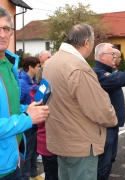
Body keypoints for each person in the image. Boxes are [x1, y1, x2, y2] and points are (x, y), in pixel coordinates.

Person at [42, 24, 118, 180]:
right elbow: (99, 109)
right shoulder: (78, 67)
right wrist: (113, 119)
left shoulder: (51, 62)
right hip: (80, 144)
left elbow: (44, 96)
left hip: (60, 139)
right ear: (86, 43)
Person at [0, 6, 49, 180]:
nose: (2, 34)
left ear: (12, 32)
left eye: (6, 28)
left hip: (13, 163)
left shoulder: (10, 66)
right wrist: (28, 118)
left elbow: (10, 108)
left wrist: (27, 109)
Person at [93, 43, 125, 180]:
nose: (115, 57)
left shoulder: (109, 71)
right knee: (103, 163)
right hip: (106, 126)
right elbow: (119, 80)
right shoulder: (98, 73)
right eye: (112, 54)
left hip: (113, 124)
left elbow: (123, 77)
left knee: (110, 159)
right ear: (102, 56)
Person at [18, 57, 44, 180]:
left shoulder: (34, 81)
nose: (39, 68)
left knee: (34, 150)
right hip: (27, 122)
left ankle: (33, 173)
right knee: (27, 152)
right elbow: (18, 103)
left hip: (34, 122)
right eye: (38, 66)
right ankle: (25, 176)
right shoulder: (22, 83)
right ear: (30, 67)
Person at [35, 51, 59, 180]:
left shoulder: (41, 92)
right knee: (53, 175)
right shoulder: (42, 95)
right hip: (49, 144)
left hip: (47, 144)